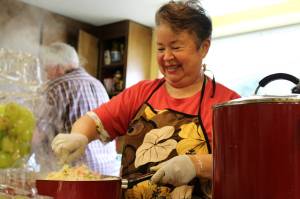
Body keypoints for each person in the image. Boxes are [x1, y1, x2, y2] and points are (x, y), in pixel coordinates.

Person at [51, 0, 240, 198]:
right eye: (160, 48)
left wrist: (197, 165)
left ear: (204, 48)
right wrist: (79, 136)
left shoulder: (226, 104)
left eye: (175, 47)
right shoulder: (142, 93)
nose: (166, 57)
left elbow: (244, 163)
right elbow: (93, 120)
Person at [33, 42, 119, 176]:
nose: (46, 75)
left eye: (46, 70)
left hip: (73, 175)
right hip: (106, 173)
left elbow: (35, 135)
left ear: (57, 67)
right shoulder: (97, 84)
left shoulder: (54, 87)